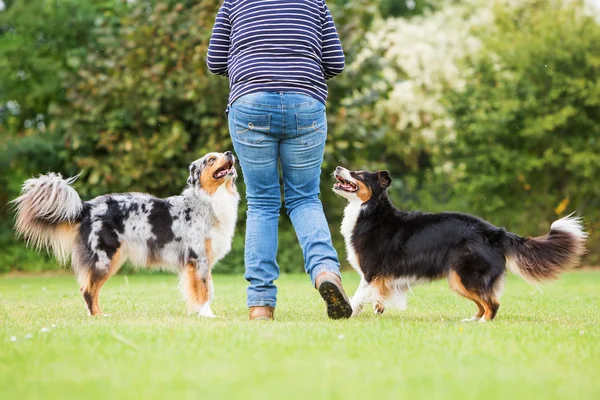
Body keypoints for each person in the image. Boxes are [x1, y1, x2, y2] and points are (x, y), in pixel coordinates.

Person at [207, 0, 352, 320]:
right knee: (305, 198)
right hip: (306, 103)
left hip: (250, 102)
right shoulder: (315, 2)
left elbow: (215, 61)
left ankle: (260, 304)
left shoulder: (234, 2)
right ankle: (326, 272)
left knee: (262, 202)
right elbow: (336, 62)